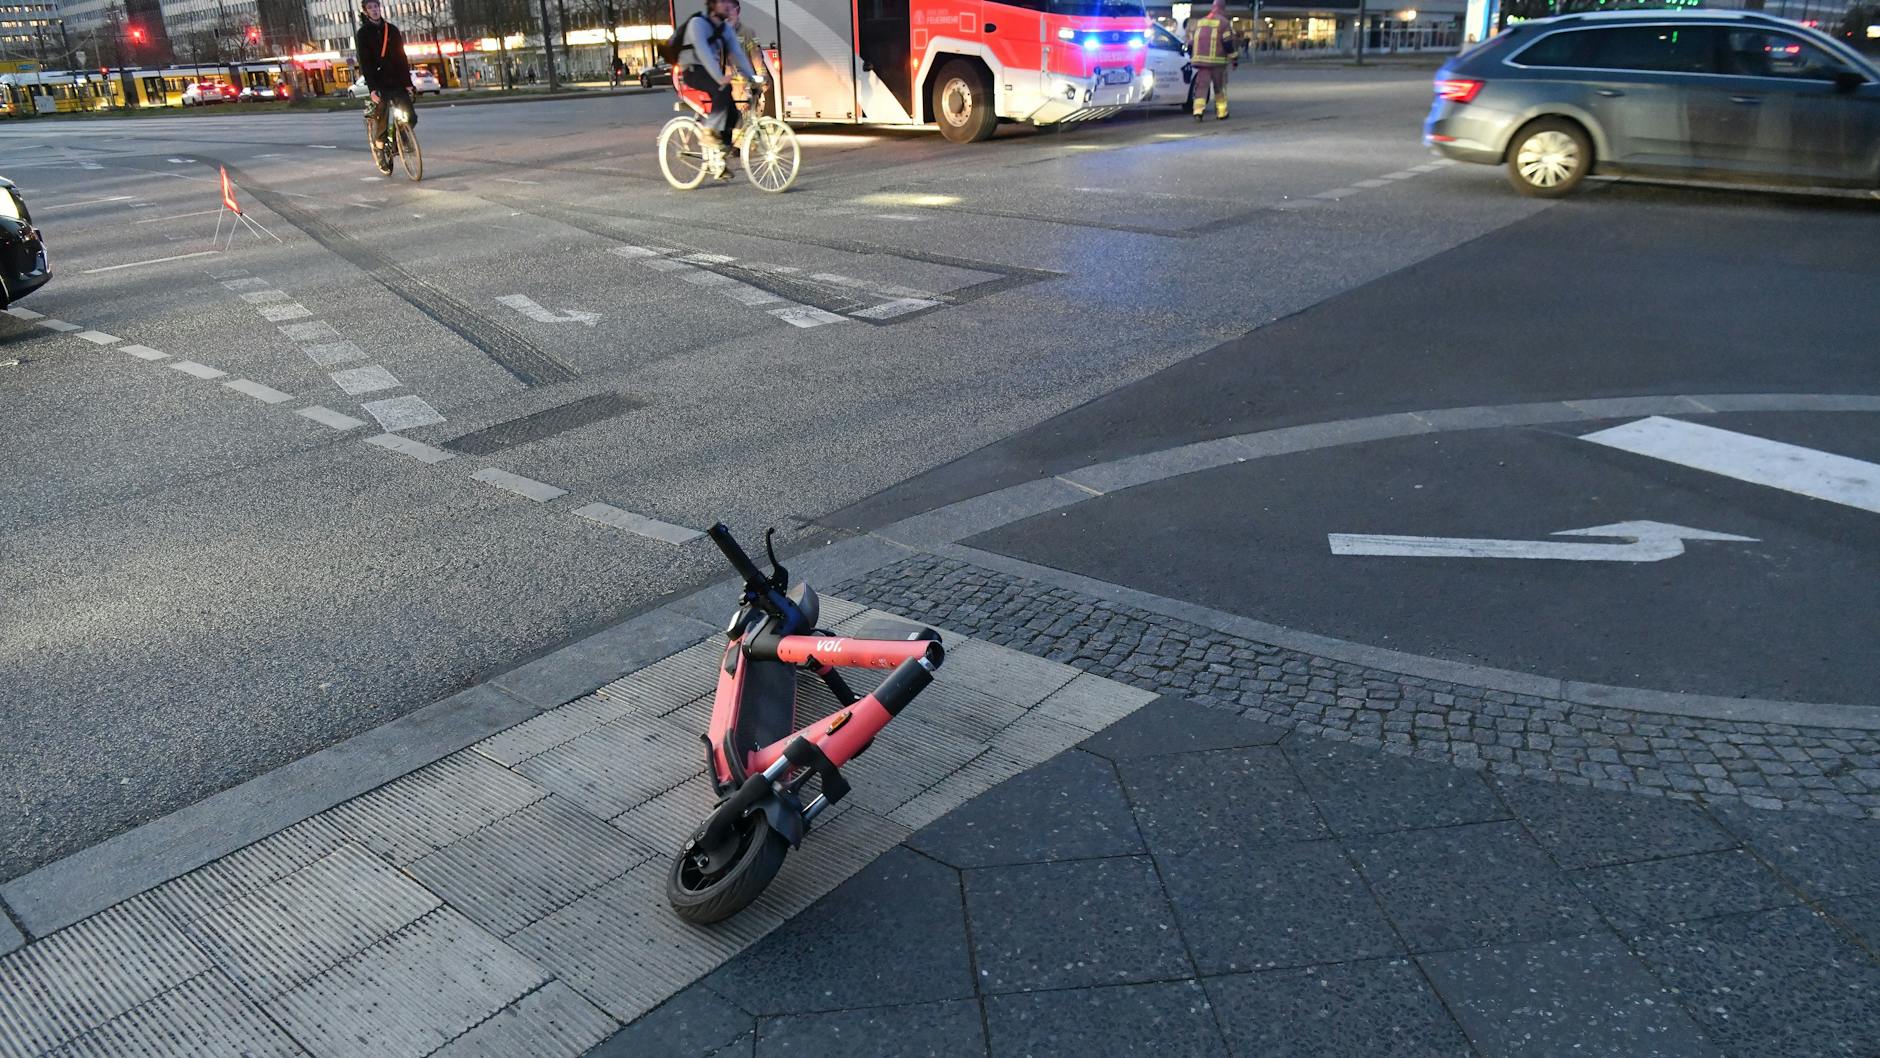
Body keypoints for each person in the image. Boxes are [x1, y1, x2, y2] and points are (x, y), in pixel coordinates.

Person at [677, 0, 762, 177]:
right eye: (723, 2)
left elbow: (739, 56)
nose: (728, 7)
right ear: (712, 6)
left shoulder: (726, 30)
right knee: (722, 89)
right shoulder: (698, 24)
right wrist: (720, 78)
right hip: (692, 70)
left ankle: (718, 160)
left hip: (710, 70)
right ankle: (708, 132)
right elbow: (703, 53)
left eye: (730, 4)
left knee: (733, 112)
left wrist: (754, 79)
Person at [354, 0, 416, 173]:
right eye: (370, 8)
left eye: (376, 7)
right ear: (366, 11)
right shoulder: (363, 34)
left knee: (410, 116)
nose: (374, 10)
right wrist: (372, 89)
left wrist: (408, 83)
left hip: (396, 80)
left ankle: (399, 142)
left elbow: (402, 57)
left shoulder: (393, 30)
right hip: (379, 82)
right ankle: (381, 150)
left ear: (380, 8)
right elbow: (365, 62)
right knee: (381, 116)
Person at [1186, 0, 1233, 121]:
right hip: (1217, 62)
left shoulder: (1201, 22)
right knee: (1218, 87)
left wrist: (1192, 55)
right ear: (1223, 8)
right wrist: (1234, 58)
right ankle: (1221, 113)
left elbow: (1192, 42)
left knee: (1201, 87)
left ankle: (1198, 111)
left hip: (1201, 62)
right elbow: (1227, 43)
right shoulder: (1223, 22)